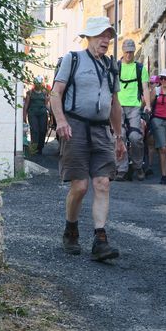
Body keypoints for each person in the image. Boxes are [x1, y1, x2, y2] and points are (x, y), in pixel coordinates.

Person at [50, 16, 126, 262]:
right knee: (80, 186)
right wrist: (61, 121)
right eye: (101, 36)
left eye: (108, 36)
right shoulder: (73, 60)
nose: (106, 40)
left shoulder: (111, 66)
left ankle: (100, 239)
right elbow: (55, 94)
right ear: (89, 37)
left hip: (102, 130)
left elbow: (115, 104)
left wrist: (119, 136)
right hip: (75, 127)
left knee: (103, 183)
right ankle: (71, 228)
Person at [115, 38, 151, 182]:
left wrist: (147, 104)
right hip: (118, 106)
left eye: (131, 52)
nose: (129, 55)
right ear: (123, 52)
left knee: (135, 138)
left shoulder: (140, 68)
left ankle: (137, 166)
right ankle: (121, 169)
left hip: (134, 106)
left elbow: (145, 88)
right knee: (120, 136)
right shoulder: (116, 67)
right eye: (126, 52)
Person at [23, 75, 50, 155]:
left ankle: (40, 148)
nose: (39, 85)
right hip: (32, 114)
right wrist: (24, 116)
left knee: (43, 130)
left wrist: (52, 112)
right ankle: (34, 148)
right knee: (35, 130)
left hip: (42, 113)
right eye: (37, 83)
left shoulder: (45, 92)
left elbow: (46, 104)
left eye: (40, 83)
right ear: (34, 84)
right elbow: (26, 105)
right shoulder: (30, 93)